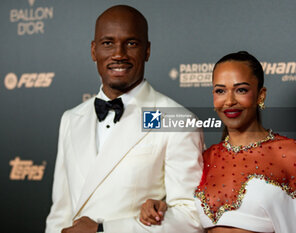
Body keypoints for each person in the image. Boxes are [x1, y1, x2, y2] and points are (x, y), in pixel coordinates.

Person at [45, 5, 204, 233]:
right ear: (93, 50)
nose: (118, 54)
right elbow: (59, 214)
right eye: (107, 43)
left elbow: (191, 217)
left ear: (147, 51)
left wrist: (103, 229)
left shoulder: (175, 119)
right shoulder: (71, 118)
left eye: (131, 43)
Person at [140, 51, 296, 233]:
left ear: (260, 95)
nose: (229, 101)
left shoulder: (291, 154)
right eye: (220, 91)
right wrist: (161, 207)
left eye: (241, 90)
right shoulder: (206, 157)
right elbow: (187, 216)